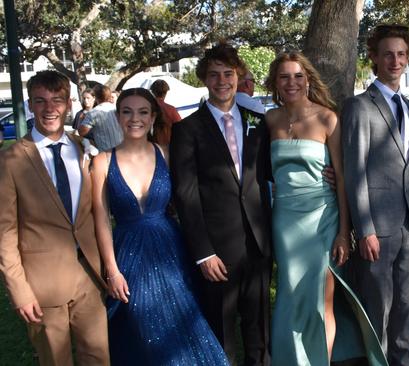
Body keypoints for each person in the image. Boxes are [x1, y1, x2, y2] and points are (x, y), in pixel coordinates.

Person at [264, 52, 387, 366]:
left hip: (323, 218)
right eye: (284, 77)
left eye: (297, 76)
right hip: (285, 220)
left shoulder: (328, 118)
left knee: (321, 300)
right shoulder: (270, 119)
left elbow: (343, 176)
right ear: (275, 83)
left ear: (308, 80)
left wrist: (344, 233)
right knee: (291, 295)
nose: (291, 82)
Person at [90, 87, 228, 365]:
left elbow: (190, 198)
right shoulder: (102, 161)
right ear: (118, 117)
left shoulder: (166, 154)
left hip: (171, 251)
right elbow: (101, 219)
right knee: (140, 327)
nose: (135, 119)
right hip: (128, 254)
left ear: (153, 117)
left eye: (143, 112)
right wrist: (112, 270)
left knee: (182, 323)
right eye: (127, 112)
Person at [170, 43, 271, 366]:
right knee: (222, 330)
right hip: (217, 249)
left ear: (238, 75)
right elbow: (186, 195)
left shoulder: (258, 121)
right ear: (204, 79)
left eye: (228, 74)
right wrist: (203, 252)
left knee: (259, 329)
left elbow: (272, 171)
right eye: (214, 75)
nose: (222, 81)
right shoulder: (188, 129)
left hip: (257, 243)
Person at [0, 70, 109, 365]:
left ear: (69, 104)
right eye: (41, 101)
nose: (50, 109)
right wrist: (20, 291)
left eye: (57, 100)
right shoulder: (10, 161)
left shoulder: (81, 148)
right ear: (31, 105)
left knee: (99, 358)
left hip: (90, 277)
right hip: (42, 285)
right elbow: (4, 234)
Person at [341, 24, 409, 366]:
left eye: (401, 54)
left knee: (406, 303)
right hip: (378, 227)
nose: (395, 60)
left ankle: (401, 361)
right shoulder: (359, 106)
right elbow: (354, 171)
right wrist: (365, 228)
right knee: (379, 306)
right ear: (374, 57)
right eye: (388, 53)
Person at [79, 84, 123, 151]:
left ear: (96, 97)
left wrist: (82, 120)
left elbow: (82, 132)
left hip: (106, 154)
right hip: (122, 150)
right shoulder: (118, 109)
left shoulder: (93, 113)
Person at [150, 79, 182, 146]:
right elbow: (181, 129)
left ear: (153, 92)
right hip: (168, 146)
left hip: (150, 147)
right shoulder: (171, 109)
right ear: (165, 92)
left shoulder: (147, 109)